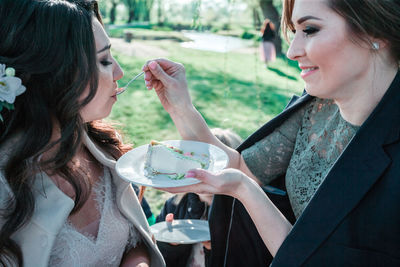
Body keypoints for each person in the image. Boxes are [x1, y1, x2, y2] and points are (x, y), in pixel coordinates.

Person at [142, 0, 400, 266]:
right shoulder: (315, 109)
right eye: (294, 31)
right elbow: (241, 168)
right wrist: (180, 106)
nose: (291, 51)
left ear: (373, 31)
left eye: (310, 29)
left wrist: (244, 188)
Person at [0, 1, 165, 266]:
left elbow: (135, 243)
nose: (119, 72)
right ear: (54, 73)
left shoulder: (103, 150)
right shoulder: (6, 184)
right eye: (103, 60)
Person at [155, 128, 242, 267]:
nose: (207, 175)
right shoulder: (176, 205)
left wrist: (216, 249)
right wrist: (170, 243)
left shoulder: (242, 214)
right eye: (201, 166)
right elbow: (158, 257)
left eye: (218, 169)